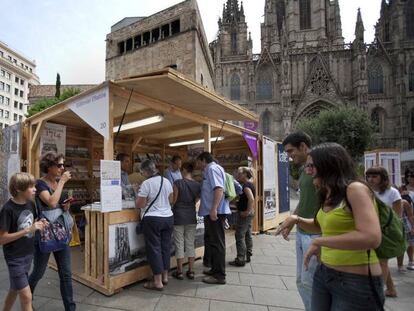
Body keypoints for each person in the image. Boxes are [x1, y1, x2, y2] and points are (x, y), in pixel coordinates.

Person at [276, 143, 384, 310]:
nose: (308, 171)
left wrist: (320, 242)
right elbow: (320, 226)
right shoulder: (328, 192)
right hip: (325, 273)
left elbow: (371, 237)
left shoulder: (355, 189)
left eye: (311, 166)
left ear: (329, 165)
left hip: (355, 279)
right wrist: (296, 219)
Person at [29, 152, 76, 311]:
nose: (62, 168)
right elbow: (50, 202)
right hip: (45, 233)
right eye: (59, 165)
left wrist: (66, 206)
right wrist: (62, 182)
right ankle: (26, 300)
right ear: (49, 167)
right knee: (38, 272)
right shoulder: (40, 184)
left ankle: (70, 308)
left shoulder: (58, 182)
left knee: (66, 274)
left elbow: (59, 205)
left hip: (61, 232)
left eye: (63, 165)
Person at [278, 132, 319, 311]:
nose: (289, 156)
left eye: (291, 151)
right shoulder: (304, 170)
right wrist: (292, 221)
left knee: (311, 283)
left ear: (303, 146)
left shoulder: (320, 168)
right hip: (303, 231)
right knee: (302, 281)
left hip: (317, 234)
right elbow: (303, 201)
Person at [0, 173, 47, 311]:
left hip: (27, 255)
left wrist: (40, 224)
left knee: (14, 289)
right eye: (31, 187)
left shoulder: (31, 204)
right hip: (14, 258)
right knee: (27, 297)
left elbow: (33, 224)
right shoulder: (8, 209)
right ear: (19, 189)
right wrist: (29, 230)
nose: (35, 189)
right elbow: (2, 239)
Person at [136, 159, 174, 291]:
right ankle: (165, 277)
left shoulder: (146, 183)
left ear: (146, 171)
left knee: (154, 249)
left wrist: (138, 193)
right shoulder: (166, 181)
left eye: (142, 172)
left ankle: (157, 282)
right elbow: (171, 200)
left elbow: (140, 204)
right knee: (165, 247)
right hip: (168, 217)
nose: (142, 175)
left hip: (152, 219)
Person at [365, 166, 402, 297]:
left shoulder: (393, 192)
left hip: (386, 232)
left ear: (383, 178)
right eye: (369, 176)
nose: (371, 179)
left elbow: (398, 216)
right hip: (371, 230)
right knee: (382, 261)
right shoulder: (367, 191)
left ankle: (377, 293)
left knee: (382, 261)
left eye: (374, 176)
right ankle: (391, 289)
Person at [197, 152, 230, 285]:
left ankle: (219, 276)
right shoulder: (212, 169)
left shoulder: (211, 168)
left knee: (217, 243)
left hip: (215, 212)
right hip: (212, 211)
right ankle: (215, 269)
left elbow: (218, 189)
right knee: (214, 242)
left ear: (203, 160)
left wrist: (213, 209)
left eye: (198, 161)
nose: (197, 164)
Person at [171, 162, 201, 280]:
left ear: (183, 170)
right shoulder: (197, 185)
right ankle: (191, 271)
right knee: (190, 244)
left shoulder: (178, 183)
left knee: (179, 243)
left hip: (178, 215)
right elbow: (197, 199)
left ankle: (179, 271)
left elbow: (174, 200)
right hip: (191, 216)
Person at [229, 167, 255, 267]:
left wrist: (246, 212)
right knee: (248, 234)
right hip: (248, 213)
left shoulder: (246, 186)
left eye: (240, 173)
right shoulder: (249, 184)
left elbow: (251, 199)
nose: (238, 175)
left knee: (239, 235)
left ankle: (240, 259)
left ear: (245, 174)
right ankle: (248, 254)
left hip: (245, 214)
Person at [399, 186, 414, 271]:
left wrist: (412, 227)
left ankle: (411, 261)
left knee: (410, 244)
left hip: (406, 225)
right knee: (400, 245)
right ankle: (400, 265)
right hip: (396, 225)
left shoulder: (404, 202)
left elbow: (410, 215)